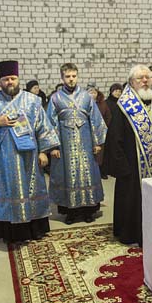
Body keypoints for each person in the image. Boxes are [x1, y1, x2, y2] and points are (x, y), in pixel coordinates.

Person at [0, 60, 60, 242]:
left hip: (29, 155)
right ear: (0, 81)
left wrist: (44, 151)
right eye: (5, 79)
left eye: (12, 78)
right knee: (7, 191)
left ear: (18, 79)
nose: (9, 82)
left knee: (32, 190)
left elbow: (43, 126)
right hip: (3, 157)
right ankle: (11, 233)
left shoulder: (32, 100)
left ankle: (35, 230)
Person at [105, 64, 152, 246]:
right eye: (140, 78)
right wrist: (122, 166)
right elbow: (115, 137)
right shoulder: (124, 106)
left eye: (147, 78)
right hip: (132, 165)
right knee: (132, 201)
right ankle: (132, 234)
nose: (144, 81)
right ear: (131, 82)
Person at [47, 64, 107, 224]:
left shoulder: (87, 97)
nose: (71, 79)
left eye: (74, 76)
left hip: (86, 141)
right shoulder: (55, 98)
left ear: (77, 76)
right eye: (68, 76)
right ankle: (71, 213)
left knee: (87, 174)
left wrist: (97, 142)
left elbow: (95, 119)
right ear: (62, 78)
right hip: (65, 143)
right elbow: (49, 123)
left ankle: (89, 211)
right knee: (67, 175)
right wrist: (53, 146)